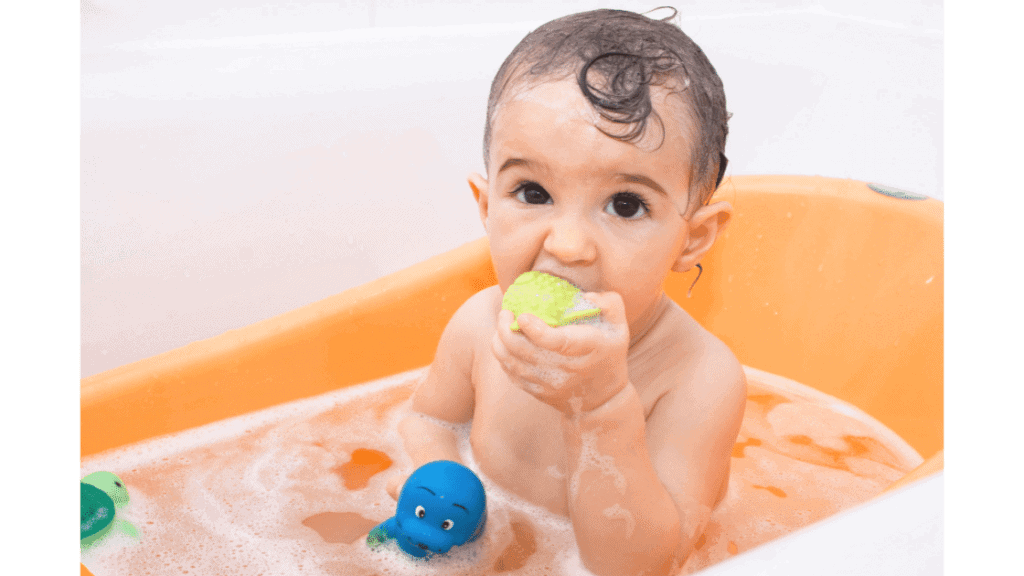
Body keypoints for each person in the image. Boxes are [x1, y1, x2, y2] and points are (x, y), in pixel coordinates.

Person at [389, 9, 746, 576]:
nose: (569, 244)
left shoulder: (698, 379)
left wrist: (603, 410)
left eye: (626, 204)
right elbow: (425, 421)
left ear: (692, 238)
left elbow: (644, 565)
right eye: (532, 191)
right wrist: (441, 485)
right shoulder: (479, 323)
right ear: (487, 207)